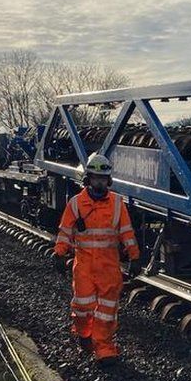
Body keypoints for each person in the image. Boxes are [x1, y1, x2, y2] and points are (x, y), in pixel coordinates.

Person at [52, 153, 140, 366]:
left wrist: (134, 256)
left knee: (107, 312)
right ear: (88, 179)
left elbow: (126, 232)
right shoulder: (76, 204)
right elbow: (65, 231)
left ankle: (105, 349)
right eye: (95, 178)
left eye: (102, 178)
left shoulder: (117, 204)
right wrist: (59, 252)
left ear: (108, 180)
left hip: (109, 267)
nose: (99, 182)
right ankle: (84, 334)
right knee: (82, 307)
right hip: (84, 266)